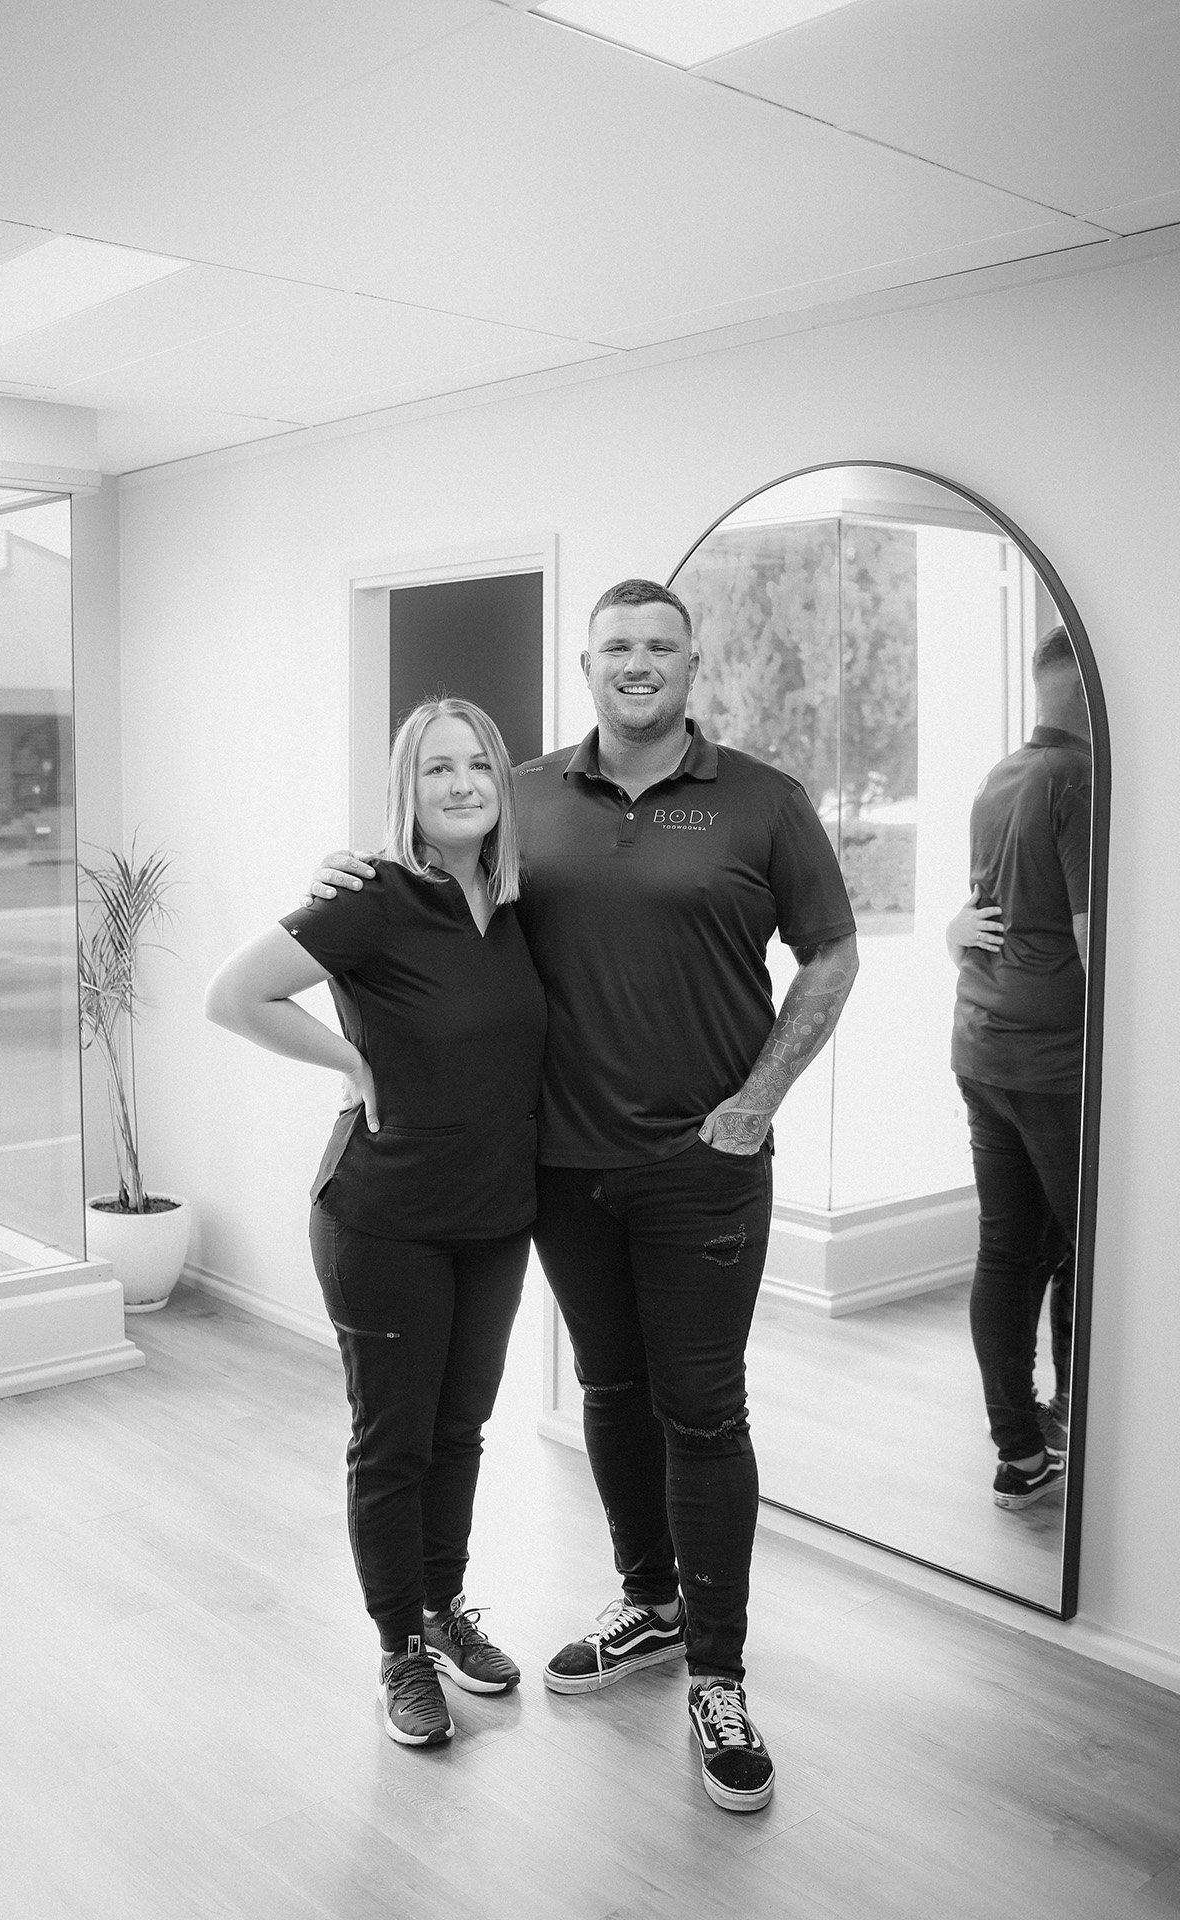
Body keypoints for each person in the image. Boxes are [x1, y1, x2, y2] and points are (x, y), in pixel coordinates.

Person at [309, 581, 858, 1812]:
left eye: (660, 645)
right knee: (609, 1392)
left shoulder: (760, 799)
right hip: (558, 1168)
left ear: (690, 662)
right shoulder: (530, 797)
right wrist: (342, 870)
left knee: (703, 1415)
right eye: (617, 646)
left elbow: (831, 949)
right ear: (585, 661)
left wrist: (759, 1100)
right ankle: (649, 1606)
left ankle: (717, 1674)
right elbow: (437, 907)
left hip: (700, 1168)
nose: (638, 663)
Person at [205, 698, 547, 1748]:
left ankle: (442, 1609)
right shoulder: (372, 898)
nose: (458, 786)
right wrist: (350, 1062)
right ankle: (397, 1647)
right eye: (435, 768)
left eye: (477, 767)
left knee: (460, 1430)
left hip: (493, 1218)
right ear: (407, 788)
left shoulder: (522, 906)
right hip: (381, 1218)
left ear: (501, 785)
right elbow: (235, 994)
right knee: (393, 1441)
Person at [946, 623, 1091, 1510]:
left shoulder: (1003, 774)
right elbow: (1087, 935)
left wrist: (952, 939)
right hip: (1054, 1065)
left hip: (982, 1049)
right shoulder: (1079, 777)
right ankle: (1076, 1419)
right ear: (1085, 688)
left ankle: (1021, 1453)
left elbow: (981, 919)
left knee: (1008, 1250)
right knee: (1088, 1248)